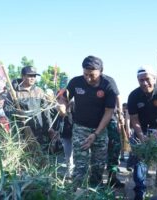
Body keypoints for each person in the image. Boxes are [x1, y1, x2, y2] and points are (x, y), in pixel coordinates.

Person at [58, 55, 118, 189]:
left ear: (101, 71)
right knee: (80, 165)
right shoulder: (76, 82)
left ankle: (94, 191)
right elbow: (64, 98)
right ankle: (77, 192)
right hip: (80, 128)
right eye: (85, 74)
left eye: (92, 75)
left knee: (98, 165)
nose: (88, 78)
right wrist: (62, 105)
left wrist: (96, 134)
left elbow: (109, 112)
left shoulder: (108, 84)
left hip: (100, 130)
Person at [127, 66, 157, 199]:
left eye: (147, 79)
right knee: (139, 157)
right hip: (141, 127)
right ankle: (139, 190)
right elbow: (134, 119)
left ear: (154, 78)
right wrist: (141, 136)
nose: (144, 83)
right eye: (141, 80)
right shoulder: (134, 95)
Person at [5, 66, 62, 149]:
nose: (32, 78)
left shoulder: (39, 91)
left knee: (41, 155)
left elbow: (46, 112)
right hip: (21, 131)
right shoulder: (14, 92)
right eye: (30, 76)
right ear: (23, 76)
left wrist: (50, 128)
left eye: (34, 76)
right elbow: (7, 108)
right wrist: (16, 112)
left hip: (39, 131)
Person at [106, 95, 125, 188]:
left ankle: (112, 179)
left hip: (111, 121)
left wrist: (120, 115)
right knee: (98, 153)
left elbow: (117, 96)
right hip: (97, 122)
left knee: (114, 151)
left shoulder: (109, 82)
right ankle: (97, 180)